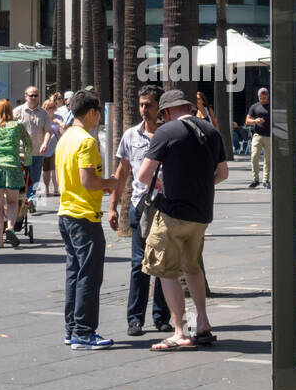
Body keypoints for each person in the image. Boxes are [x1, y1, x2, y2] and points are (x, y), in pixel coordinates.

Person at [134, 90, 228, 350]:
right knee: (193, 267)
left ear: (165, 112)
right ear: (188, 106)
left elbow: (143, 176)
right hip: (201, 214)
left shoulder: (167, 132)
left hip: (172, 213)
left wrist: (166, 184)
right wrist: (199, 186)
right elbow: (223, 173)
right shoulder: (211, 131)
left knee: (164, 270)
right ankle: (203, 323)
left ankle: (179, 331)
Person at [56, 90, 119, 349]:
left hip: (66, 212)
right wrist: (110, 183)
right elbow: (88, 180)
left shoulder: (65, 138)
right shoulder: (86, 141)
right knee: (89, 276)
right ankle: (84, 331)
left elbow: (63, 181)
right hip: (84, 216)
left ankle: (72, 329)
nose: (99, 119)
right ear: (92, 112)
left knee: (74, 273)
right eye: (99, 114)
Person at [111, 85, 172, 337]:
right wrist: (112, 207)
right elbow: (122, 172)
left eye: (149, 105)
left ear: (159, 107)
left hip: (167, 205)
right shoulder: (131, 136)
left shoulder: (170, 134)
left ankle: (161, 317)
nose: (144, 110)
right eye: (141, 105)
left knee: (163, 264)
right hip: (141, 205)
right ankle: (135, 319)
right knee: (139, 264)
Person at [0, 99, 33, 248]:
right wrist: (28, 161)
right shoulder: (17, 125)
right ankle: (10, 227)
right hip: (13, 167)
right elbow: (28, 144)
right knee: (12, 202)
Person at [13, 86, 52, 213]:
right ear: (26, 96)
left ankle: (30, 200)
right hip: (21, 152)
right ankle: (23, 200)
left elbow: (47, 131)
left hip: (37, 151)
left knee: (35, 178)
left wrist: (45, 143)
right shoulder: (18, 111)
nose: (34, 98)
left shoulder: (44, 113)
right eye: (31, 95)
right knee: (23, 178)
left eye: (36, 95)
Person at [245, 87, 271, 189]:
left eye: (264, 97)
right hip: (258, 135)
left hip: (269, 136)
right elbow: (247, 121)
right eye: (261, 97)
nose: (262, 99)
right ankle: (255, 180)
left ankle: (265, 180)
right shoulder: (254, 107)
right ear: (258, 97)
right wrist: (256, 121)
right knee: (254, 156)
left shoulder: (272, 106)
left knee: (267, 159)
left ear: (268, 96)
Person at [41, 98, 62, 197]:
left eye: (53, 107)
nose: (52, 109)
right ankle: (46, 188)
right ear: (45, 108)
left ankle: (56, 189)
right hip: (44, 147)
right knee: (46, 170)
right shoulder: (43, 118)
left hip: (56, 146)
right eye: (50, 107)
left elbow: (62, 132)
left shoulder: (59, 117)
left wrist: (59, 123)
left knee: (55, 169)